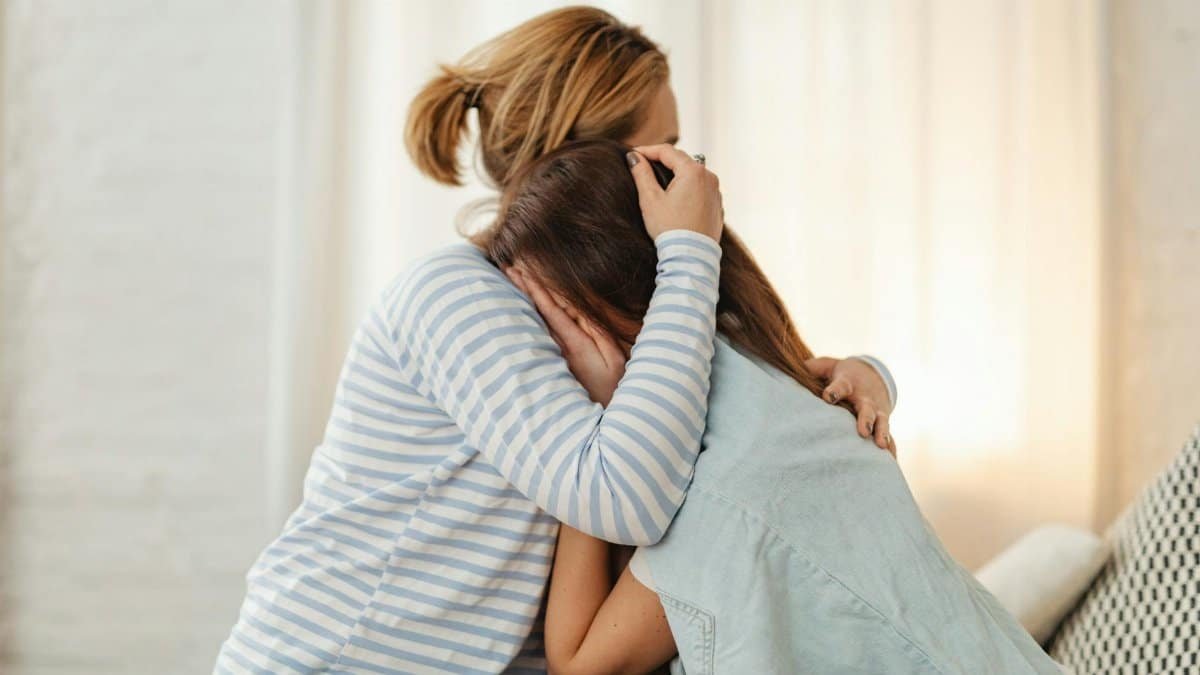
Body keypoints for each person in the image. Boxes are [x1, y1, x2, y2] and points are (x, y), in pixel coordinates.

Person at [215, 8, 896, 673]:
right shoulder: (455, 296)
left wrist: (866, 373)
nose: (688, 178)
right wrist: (690, 247)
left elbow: (737, 397)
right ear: (582, 167)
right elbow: (625, 494)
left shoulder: (616, 304)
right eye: (664, 155)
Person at [487, 140, 1065, 674]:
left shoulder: (731, 480)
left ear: (603, 300)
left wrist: (589, 433)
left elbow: (582, 663)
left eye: (548, 323)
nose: (540, 356)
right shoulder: (756, 370)